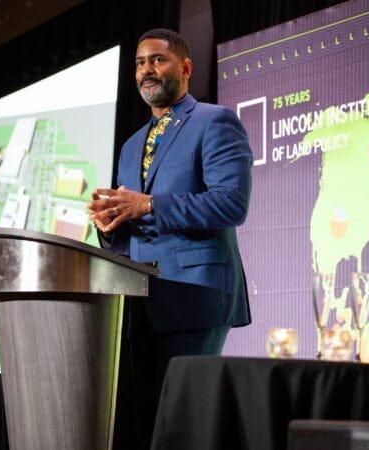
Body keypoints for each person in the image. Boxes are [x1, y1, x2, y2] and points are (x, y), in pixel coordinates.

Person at [87, 28, 252, 449]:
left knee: (181, 427)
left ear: (186, 67)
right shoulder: (130, 146)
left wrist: (148, 205)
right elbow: (133, 227)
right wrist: (110, 227)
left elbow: (230, 204)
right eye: (140, 63)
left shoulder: (214, 121)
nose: (147, 70)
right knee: (142, 427)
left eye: (158, 60)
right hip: (140, 305)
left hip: (195, 295)